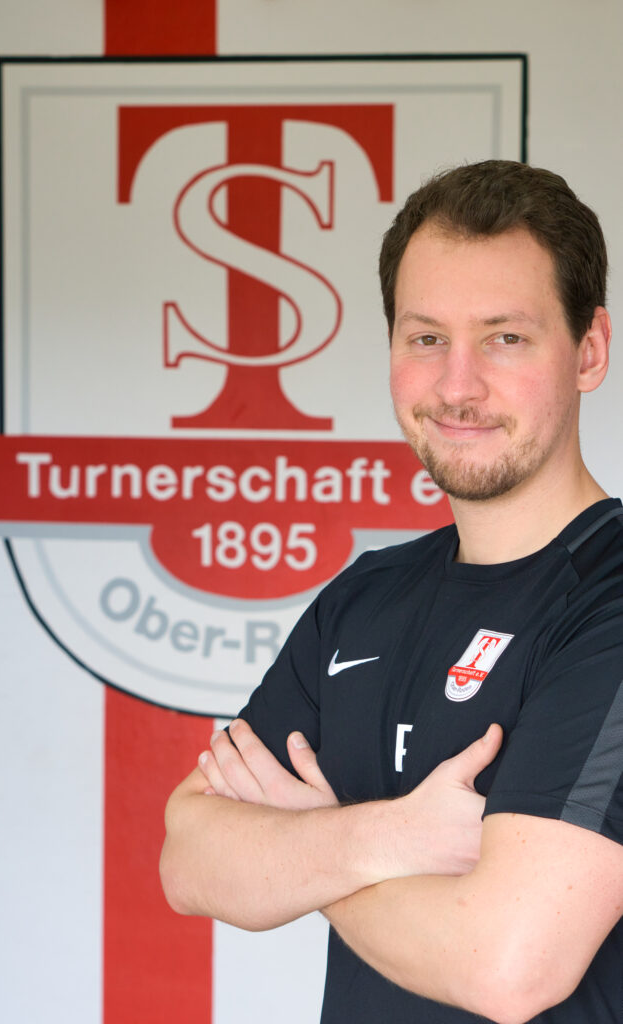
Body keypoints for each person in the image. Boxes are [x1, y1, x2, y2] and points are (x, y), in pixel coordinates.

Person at [160, 161, 623, 1024]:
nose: (457, 386)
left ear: (588, 350)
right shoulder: (365, 596)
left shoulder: (608, 600)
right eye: (425, 338)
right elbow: (188, 859)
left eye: (504, 337)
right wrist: (389, 835)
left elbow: (507, 966)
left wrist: (309, 851)